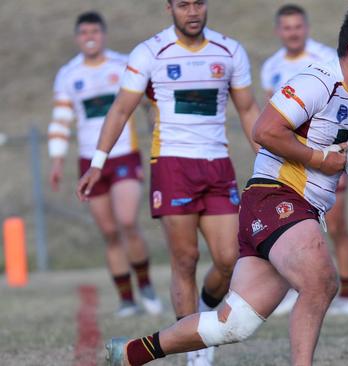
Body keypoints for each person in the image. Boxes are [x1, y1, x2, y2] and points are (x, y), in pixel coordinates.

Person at [104, 4, 348, 365]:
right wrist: (320, 159)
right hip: (276, 196)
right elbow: (264, 130)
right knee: (321, 282)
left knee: (233, 325)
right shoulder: (317, 82)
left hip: (303, 209)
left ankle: (129, 353)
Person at [76, 0, 260, 364]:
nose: (192, 12)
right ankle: (194, 348)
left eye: (198, 4)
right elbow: (121, 109)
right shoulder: (150, 52)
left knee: (229, 259)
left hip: (218, 165)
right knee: (185, 258)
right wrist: (98, 161)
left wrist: (269, 157)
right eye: (183, 5)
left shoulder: (230, 50)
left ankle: (203, 317)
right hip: (173, 165)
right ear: (169, 8)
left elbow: (248, 109)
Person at [49, 11, 162, 318]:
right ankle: (126, 299)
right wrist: (57, 160)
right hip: (89, 160)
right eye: (84, 32)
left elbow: (149, 99)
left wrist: (155, 118)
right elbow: (61, 120)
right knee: (110, 232)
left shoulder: (122, 64)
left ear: (103, 34)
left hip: (124, 155)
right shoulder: (68, 74)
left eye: (95, 31)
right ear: (77, 37)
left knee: (127, 221)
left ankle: (147, 285)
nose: (90, 37)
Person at [260, 4, 348, 316]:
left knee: (338, 224)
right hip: (290, 163)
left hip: (328, 156)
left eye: (297, 26)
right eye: (287, 27)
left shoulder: (326, 59)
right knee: (290, 226)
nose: (293, 32)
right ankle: (294, 288)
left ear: (306, 28)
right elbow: (272, 117)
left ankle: (347, 294)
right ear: (278, 31)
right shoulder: (271, 67)